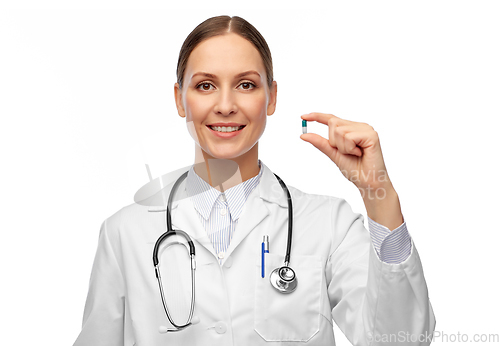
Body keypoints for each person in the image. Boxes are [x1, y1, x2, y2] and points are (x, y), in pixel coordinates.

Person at [73, 15, 435, 346]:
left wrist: (378, 191)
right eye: (205, 86)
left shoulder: (329, 225)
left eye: (246, 85)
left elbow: (400, 340)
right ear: (180, 99)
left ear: (271, 97)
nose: (226, 105)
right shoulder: (124, 233)